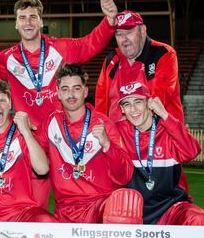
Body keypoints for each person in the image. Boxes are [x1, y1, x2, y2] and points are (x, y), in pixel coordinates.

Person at [0, 0, 119, 207]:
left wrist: (109, 21)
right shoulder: (6, 58)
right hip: (32, 143)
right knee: (31, 208)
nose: (28, 22)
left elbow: (89, 44)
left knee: (78, 202)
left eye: (33, 17)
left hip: (65, 140)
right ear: (16, 23)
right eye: (22, 18)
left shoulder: (60, 48)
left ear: (41, 21)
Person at [36, 64, 142, 224]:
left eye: (76, 88)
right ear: (58, 93)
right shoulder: (51, 123)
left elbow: (125, 175)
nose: (70, 94)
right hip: (64, 209)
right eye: (65, 89)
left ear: (85, 92)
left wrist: (107, 145)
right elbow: (29, 157)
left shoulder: (103, 124)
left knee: (122, 206)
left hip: (100, 208)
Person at [115, 81, 204, 225]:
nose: (133, 109)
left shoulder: (168, 129)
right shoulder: (117, 131)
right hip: (133, 211)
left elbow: (192, 151)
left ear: (149, 103)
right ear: (122, 109)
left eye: (138, 101)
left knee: (198, 219)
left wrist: (164, 114)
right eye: (127, 104)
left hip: (170, 208)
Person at [0, 80, 56, 222]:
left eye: (2, 101)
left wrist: (26, 132)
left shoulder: (21, 132)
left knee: (47, 221)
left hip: (21, 212)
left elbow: (43, 169)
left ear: (10, 104)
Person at [95, 10, 184, 123]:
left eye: (129, 32)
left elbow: (158, 99)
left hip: (160, 136)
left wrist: (127, 128)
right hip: (118, 138)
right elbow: (101, 104)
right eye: (119, 34)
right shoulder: (111, 60)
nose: (124, 39)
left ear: (142, 31)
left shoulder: (163, 54)